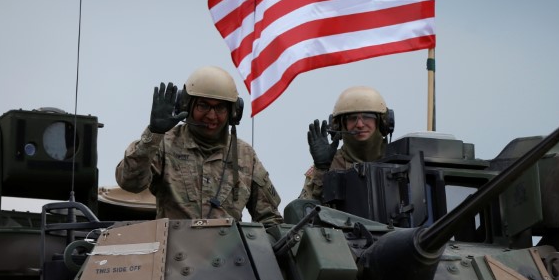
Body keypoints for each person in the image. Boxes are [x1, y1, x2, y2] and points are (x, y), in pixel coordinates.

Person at [116, 65, 282, 225]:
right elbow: (130, 182)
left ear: (233, 112)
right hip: (174, 250)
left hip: (229, 252)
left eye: (220, 108)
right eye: (203, 105)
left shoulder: (245, 155)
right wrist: (153, 134)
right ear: (186, 105)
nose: (211, 116)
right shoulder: (164, 144)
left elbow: (270, 219)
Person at [299, 86, 394, 201]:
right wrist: (321, 170)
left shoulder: (399, 160)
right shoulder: (328, 166)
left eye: (367, 117)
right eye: (352, 118)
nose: (359, 124)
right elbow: (303, 212)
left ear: (382, 122)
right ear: (339, 125)